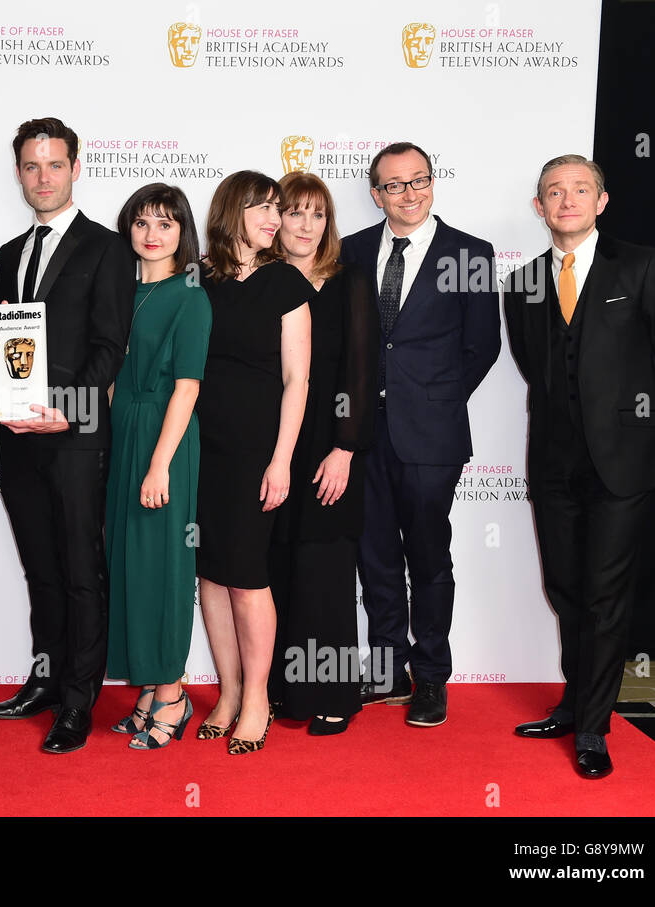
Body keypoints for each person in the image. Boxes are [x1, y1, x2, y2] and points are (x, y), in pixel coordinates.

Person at [504, 154, 655, 778]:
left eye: (580, 189)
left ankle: (592, 728)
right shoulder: (525, 280)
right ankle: (573, 702)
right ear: (539, 208)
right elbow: (537, 367)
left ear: (601, 201)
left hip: (624, 465)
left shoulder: (643, 266)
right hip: (555, 462)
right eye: (554, 192)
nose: (567, 200)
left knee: (606, 594)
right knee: (568, 589)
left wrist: (631, 427)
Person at [0, 117, 134, 754]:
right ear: (18, 173)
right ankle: (43, 680)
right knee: (40, 567)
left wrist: (66, 411)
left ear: (74, 168)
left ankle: (76, 702)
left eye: (55, 165)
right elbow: (13, 344)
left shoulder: (106, 248)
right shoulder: (8, 254)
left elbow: (109, 347)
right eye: (32, 166)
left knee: (79, 572)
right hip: (17, 435)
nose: (43, 177)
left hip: (75, 435)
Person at [340, 142, 500, 728]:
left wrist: (433, 400)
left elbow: (483, 345)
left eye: (419, 181)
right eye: (395, 185)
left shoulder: (471, 253)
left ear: (432, 183)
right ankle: (387, 672)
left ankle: (431, 677)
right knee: (375, 555)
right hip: (362, 433)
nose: (410, 194)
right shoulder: (352, 251)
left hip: (431, 436)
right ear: (376, 193)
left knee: (428, 557)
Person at [195, 170, 311, 755]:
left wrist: (282, 459)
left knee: (247, 578)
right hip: (199, 448)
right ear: (231, 211)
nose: (275, 219)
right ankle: (229, 690)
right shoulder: (200, 279)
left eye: (278, 209)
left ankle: (259, 698)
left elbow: (297, 380)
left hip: (256, 453)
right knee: (211, 575)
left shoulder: (286, 282)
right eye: (262, 208)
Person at [268, 171, 378, 735]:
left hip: (331, 450)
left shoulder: (350, 280)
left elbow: (362, 371)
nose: (306, 225)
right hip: (271, 450)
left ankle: (334, 693)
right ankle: (286, 693)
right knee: (276, 569)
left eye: (317, 214)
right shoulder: (260, 281)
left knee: (327, 575)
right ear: (274, 219)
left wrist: (344, 449)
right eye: (294, 212)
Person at [106, 184, 211, 750]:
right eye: (142, 223)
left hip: (163, 438)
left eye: (165, 224)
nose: (151, 234)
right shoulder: (124, 290)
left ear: (182, 233)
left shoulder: (190, 294)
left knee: (162, 569)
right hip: (123, 434)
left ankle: (172, 693)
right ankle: (147, 689)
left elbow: (188, 387)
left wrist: (159, 466)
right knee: (128, 565)